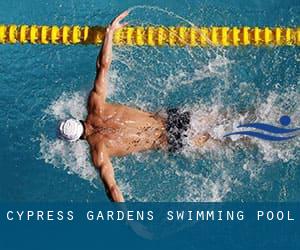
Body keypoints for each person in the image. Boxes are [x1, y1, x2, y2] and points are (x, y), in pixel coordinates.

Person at [58, 11, 210, 202]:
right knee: (226, 118)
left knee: (228, 141)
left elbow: (112, 189)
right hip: (172, 118)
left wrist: (129, 221)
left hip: (171, 140)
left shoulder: (99, 152)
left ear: (76, 140)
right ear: (76, 119)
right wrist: (109, 33)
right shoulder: (95, 105)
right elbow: (103, 66)